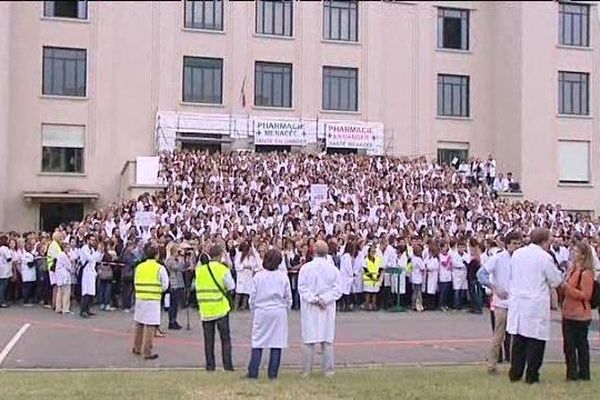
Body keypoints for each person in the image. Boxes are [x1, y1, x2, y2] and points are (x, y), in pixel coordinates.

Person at [507, 228, 563, 384]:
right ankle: (532, 375)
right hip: (535, 302)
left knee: (519, 339)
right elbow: (554, 280)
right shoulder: (545, 258)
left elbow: (512, 274)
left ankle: (515, 373)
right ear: (544, 241)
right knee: (536, 341)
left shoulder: (517, 254)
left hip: (519, 301)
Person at [478, 230, 522, 373]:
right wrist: (494, 287)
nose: (516, 246)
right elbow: (481, 274)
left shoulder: (521, 258)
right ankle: (492, 365)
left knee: (518, 336)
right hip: (502, 303)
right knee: (499, 336)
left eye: (518, 244)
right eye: (513, 243)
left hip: (517, 302)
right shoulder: (498, 258)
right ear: (507, 244)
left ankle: (516, 365)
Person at [298, 240, 342, 378]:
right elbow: (337, 289)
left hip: (314, 307)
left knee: (309, 340)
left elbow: (302, 288)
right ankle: (328, 371)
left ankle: (306, 371)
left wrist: (316, 299)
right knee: (327, 340)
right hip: (325, 307)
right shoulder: (332, 269)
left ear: (314, 251)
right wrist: (324, 299)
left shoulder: (306, 268)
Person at [247, 249, 292, 380]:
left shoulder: (258, 276)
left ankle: (253, 372)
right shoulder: (283, 277)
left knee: (257, 342)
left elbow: (252, 297)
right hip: (278, 311)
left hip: (262, 311)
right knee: (276, 343)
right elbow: (288, 297)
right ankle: (272, 374)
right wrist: (285, 310)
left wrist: (254, 310)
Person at [195, 244, 235, 372]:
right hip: (220, 308)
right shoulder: (222, 269)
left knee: (208, 340)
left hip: (205, 309)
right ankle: (227, 366)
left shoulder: (200, 270)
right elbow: (231, 286)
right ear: (220, 256)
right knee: (225, 339)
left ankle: (210, 365)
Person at [559, 240, 595, 381]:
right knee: (568, 346)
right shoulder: (572, 270)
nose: (573, 253)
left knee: (581, 345)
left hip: (580, 315)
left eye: (576, 251)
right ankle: (571, 373)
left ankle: (584, 373)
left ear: (583, 255)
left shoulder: (586, 273)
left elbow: (586, 295)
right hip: (568, 312)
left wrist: (568, 288)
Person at [132, 242, 169, 360]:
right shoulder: (160, 268)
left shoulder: (139, 267)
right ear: (156, 255)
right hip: (153, 299)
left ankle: (137, 347)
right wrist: (158, 290)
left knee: (139, 323)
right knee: (150, 326)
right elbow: (165, 285)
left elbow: (135, 280)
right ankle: (147, 351)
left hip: (140, 298)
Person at [79, 234, 104, 318]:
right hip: (86, 272)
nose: (93, 242)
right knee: (86, 291)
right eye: (92, 240)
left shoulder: (92, 249)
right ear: (87, 240)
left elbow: (97, 259)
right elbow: (90, 258)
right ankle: (83, 310)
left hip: (92, 272)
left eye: (94, 240)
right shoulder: (84, 249)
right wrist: (97, 252)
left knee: (91, 292)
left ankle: (88, 309)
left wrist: (100, 252)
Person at [165, 244, 185, 330]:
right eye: (178, 251)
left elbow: (182, 267)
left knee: (176, 304)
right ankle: (171, 321)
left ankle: (175, 319)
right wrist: (181, 260)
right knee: (173, 304)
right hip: (173, 283)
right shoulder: (170, 260)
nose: (179, 253)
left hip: (179, 282)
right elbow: (176, 267)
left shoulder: (177, 259)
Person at [54, 242, 73, 315]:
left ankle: (58, 307)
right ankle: (65, 308)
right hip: (64, 275)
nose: (68, 249)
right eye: (67, 247)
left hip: (60, 276)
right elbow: (68, 266)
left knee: (60, 292)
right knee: (66, 292)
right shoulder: (64, 255)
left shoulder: (61, 255)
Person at [362, 246, 383, 311]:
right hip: (368, 278)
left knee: (374, 293)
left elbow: (380, 268)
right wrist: (371, 277)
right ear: (368, 252)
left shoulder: (378, 259)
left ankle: (374, 306)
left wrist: (377, 277)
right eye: (371, 251)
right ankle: (367, 306)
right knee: (368, 293)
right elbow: (365, 270)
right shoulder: (365, 260)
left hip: (376, 279)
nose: (373, 252)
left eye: (374, 251)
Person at [0, 235, 12, 308]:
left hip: (1, 269)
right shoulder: (5, 248)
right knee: (3, 286)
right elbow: (9, 258)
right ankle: (2, 301)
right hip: (5, 270)